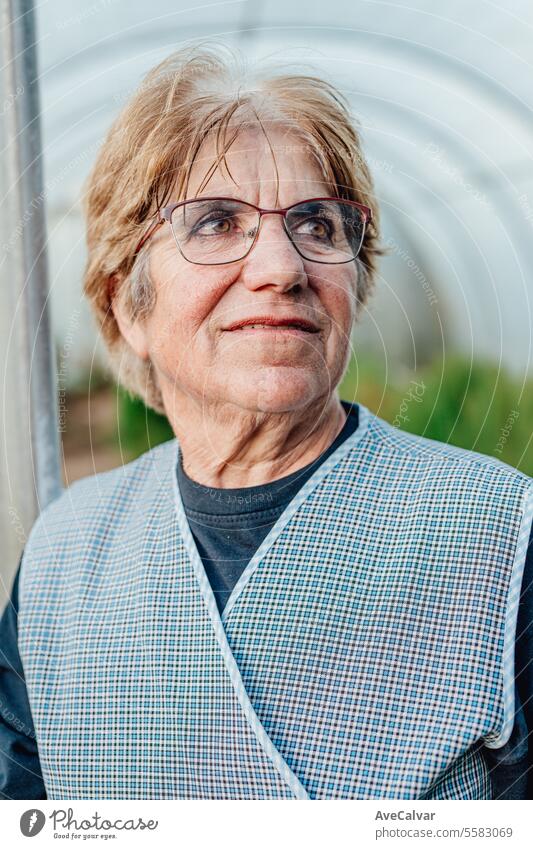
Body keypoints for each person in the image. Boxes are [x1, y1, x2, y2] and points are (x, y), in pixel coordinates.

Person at [1, 44, 532, 801]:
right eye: (215, 222)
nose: (282, 266)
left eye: (317, 224)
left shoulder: (499, 534)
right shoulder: (64, 557)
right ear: (129, 303)